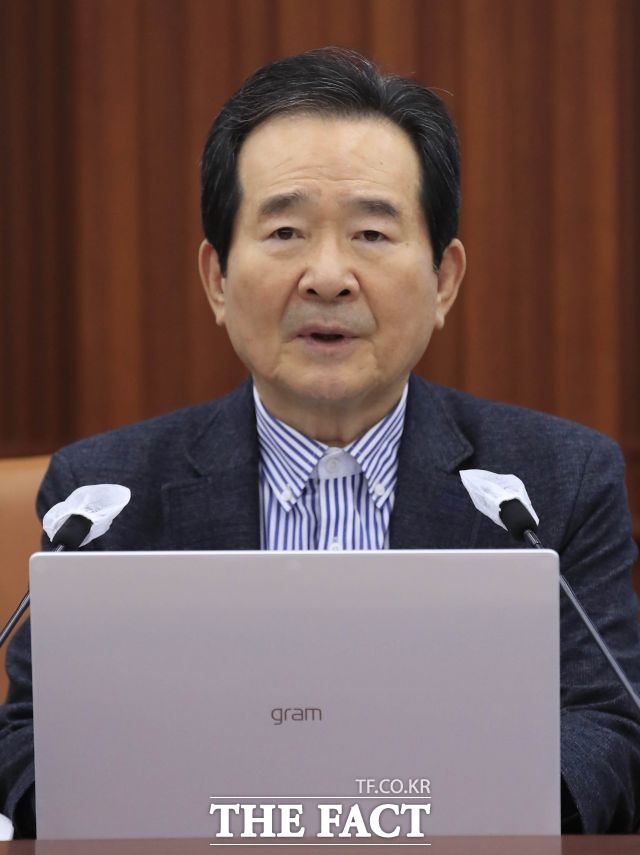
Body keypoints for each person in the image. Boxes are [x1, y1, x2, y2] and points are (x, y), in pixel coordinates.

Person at [1, 46, 639, 837]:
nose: (328, 276)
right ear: (217, 280)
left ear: (443, 281)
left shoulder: (554, 483)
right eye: (285, 231)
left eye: (371, 232)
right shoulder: (102, 497)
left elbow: (607, 728)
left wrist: (434, 817)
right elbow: (31, 742)